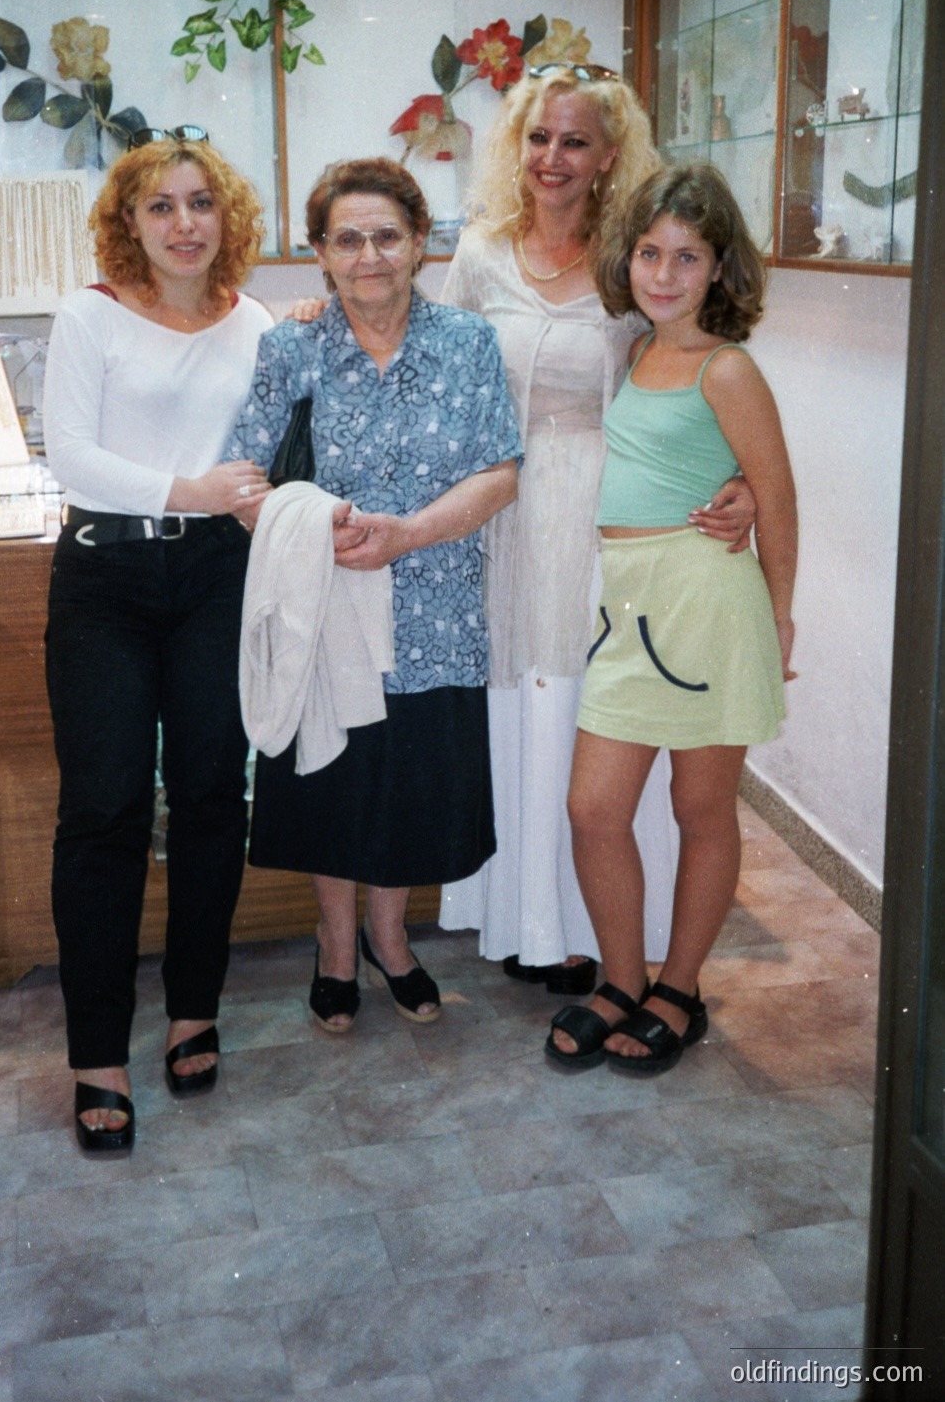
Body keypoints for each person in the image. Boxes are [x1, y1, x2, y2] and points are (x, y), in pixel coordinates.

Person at [436, 63, 754, 990]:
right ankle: (525, 918)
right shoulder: (482, 252)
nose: (552, 157)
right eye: (538, 138)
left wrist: (742, 481)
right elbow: (436, 363)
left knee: (594, 711)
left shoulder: (634, 258)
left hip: (611, 513)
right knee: (520, 703)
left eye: (574, 140)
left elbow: (694, 383)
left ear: (610, 154)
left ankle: (591, 934)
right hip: (499, 506)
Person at [226, 157, 522, 1032]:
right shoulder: (290, 346)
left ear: (419, 244)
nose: (369, 256)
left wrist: (408, 532)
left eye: (386, 236)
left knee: (408, 790)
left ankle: (391, 940)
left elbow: (499, 472)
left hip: (434, 610)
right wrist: (304, 532)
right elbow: (246, 478)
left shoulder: (468, 344)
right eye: (347, 238)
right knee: (331, 780)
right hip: (324, 609)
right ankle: (332, 944)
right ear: (319, 250)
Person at [43, 134, 273, 1151]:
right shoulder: (88, 314)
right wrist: (187, 490)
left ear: (225, 219)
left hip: (218, 577)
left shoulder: (257, 322)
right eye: (160, 207)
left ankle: (193, 1008)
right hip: (105, 575)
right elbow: (72, 457)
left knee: (215, 793)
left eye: (199, 204)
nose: (184, 223)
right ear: (128, 223)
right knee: (104, 807)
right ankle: (96, 1051)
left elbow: (272, 450)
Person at [547, 161, 797, 1074]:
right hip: (629, 604)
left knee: (700, 806)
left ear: (720, 268)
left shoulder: (726, 367)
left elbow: (775, 496)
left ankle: (678, 987)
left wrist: (778, 621)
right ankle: (620, 977)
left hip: (705, 601)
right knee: (593, 808)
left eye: (686, 257)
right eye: (649, 252)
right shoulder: (634, 350)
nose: (661, 273)